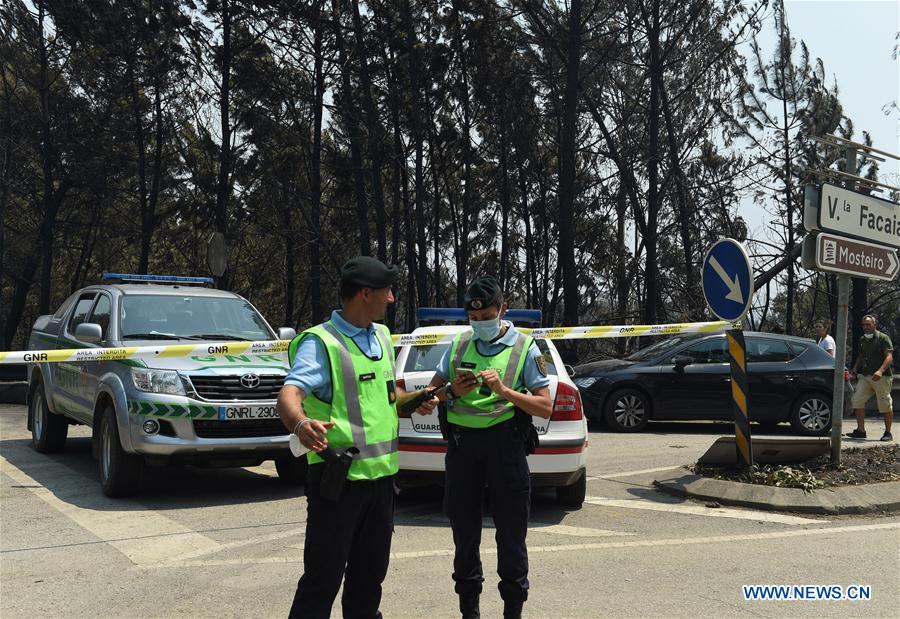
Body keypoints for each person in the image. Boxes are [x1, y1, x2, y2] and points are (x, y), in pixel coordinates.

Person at [277, 255, 413, 619]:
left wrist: (420, 400)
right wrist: (302, 425)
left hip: (382, 482)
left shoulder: (382, 336)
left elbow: (387, 397)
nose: (392, 299)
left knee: (369, 580)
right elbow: (289, 396)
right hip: (338, 483)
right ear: (365, 293)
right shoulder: (321, 343)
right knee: (322, 581)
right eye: (387, 291)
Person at [415, 276, 552, 619]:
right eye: (473, 319)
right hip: (463, 449)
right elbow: (431, 395)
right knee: (464, 532)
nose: (479, 324)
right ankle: (469, 611)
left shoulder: (525, 347)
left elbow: (544, 406)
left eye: (486, 317)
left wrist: (505, 391)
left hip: (505, 445)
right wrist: (450, 393)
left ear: (503, 310)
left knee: (511, 534)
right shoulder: (460, 344)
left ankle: (512, 611)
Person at [845, 314, 894, 442]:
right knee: (857, 400)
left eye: (868, 324)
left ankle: (888, 432)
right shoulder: (862, 339)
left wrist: (880, 371)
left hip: (882, 377)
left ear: (874, 325)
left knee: (885, 404)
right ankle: (861, 431)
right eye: (863, 325)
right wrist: (855, 368)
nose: (865, 327)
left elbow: (889, 357)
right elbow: (861, 356)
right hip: (867, 376)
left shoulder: (883, 338)